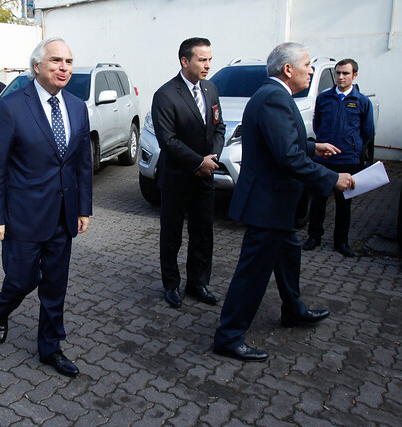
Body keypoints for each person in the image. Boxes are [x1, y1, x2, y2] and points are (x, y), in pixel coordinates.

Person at [213, 42, 355, 362]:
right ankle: (228, 335)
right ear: (288, 69)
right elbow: (286, 156)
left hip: (276, 205)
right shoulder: (275, 97)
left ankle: (293, 309)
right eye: (307, 64)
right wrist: (333, 179)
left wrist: (312, 147)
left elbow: (282, 142)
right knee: (252, 274)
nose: (312, 70)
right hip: (267, 205)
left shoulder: (273, 94)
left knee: (289, 257)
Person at [0, 37, 92, 377]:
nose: (63, 68)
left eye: (69, 62)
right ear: (37, 66)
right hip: (23, 216)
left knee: (55, 286)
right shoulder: (13, 105)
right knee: (20, 279)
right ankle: (2, 309)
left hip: (63, 215)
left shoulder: (76, 106)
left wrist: (83, 208)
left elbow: (81, 163)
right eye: (56, 61)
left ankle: (50, 347)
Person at [151, 37, 226, 309]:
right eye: (202, 60)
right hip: (177, 179)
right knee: (171, 236)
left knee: (203, 233)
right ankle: (171, 285)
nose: (208, 65)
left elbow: (219, 127)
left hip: (205, 177)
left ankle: (198, 283)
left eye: (209, 59)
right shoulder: (165, 95)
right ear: (185, 61)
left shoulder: (211, 89)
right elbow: (167, 140)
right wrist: (197, 162)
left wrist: (212, 159)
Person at [303, 59, 374, 257]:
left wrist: (352, 146)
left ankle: (341, 242)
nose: (341, 77)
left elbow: (367, 131)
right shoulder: (324, 98)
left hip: (348, 160)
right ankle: (314, 237)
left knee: (344, 203)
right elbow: (317, 125)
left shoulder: (362, 101)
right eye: (338, 73)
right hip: (324, 160)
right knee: (318, 201)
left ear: (354, 76)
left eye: (345, 73)